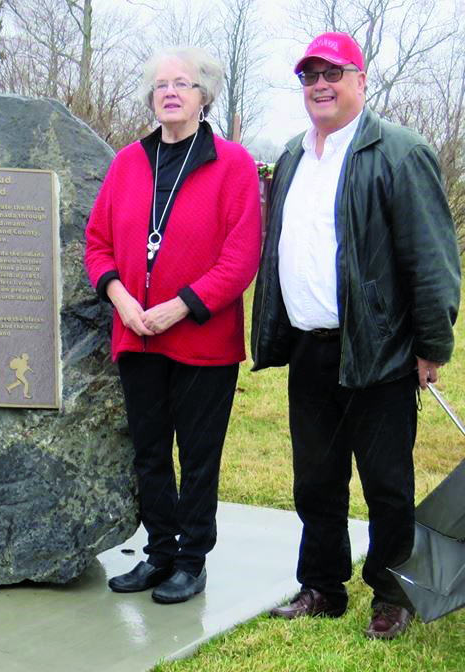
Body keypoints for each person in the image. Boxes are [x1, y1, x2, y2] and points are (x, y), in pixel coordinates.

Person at [252, 32, 460, 639]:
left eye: (333, 73)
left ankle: (391, 593)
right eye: (310, 74)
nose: (320, 84)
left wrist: (430, 346)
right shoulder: (292, 154)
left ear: (360, 81)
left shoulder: (399, 151)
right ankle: (322, 585)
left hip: (381, 349)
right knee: (315, 477)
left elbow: (431, 260)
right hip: (311, 346)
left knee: (386, 482)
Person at [85, 46, 262, 604]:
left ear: (203, 96)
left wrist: (179, 305)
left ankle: (192, 560)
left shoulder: (231, 163)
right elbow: (97, 244)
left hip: (202, 339)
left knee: (199, 454)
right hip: (136, 335)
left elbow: (241, 257)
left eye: (182, 84)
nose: (170, 92)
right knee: (150, 452)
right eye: (161, 84)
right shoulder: (127, 163)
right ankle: (159, 553)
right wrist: (120, 298)